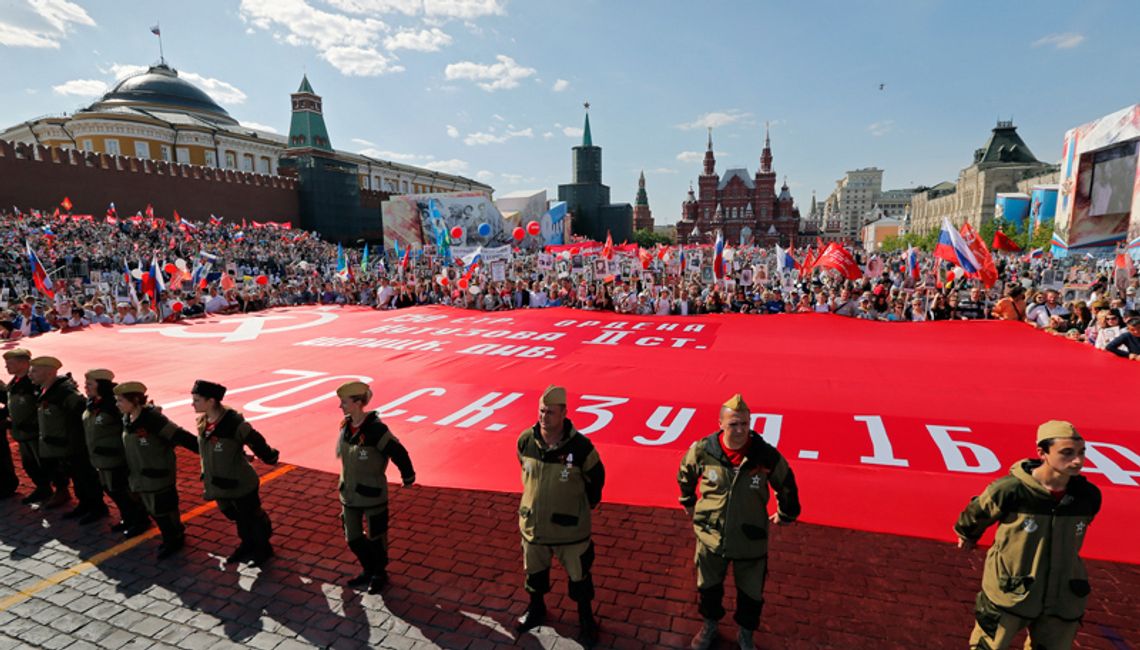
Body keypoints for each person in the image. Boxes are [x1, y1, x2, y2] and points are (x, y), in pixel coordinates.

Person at [954, 421, 1101, 649]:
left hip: (1062, 597)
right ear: (1042, 453)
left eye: (1082, 453)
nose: (1078, 461)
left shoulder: (1088, 496)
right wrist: (968, 534)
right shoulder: (1010, 491)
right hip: (1010, 593)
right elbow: (978, 512)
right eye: (1067, 453)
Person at [677, 394, 801, 650]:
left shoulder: (764, 456)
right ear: (720, 423)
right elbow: (685, 473)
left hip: (750, 541)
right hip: (711, 537)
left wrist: (786, 513)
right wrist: (688, 500)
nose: (741, 429)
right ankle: (709, 626)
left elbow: (786, 482)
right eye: (734, 424)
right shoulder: (703, 450)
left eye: (745, 423)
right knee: (708, 589)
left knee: (751, 595)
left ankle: (746, 635)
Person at [515, 386, 605, 646]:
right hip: (534, 526)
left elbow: (596, 479)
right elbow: (524, 469)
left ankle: (587, 620)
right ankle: (536, 609)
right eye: (542, 411)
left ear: (564, 413)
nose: (544, 417)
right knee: (534, 574)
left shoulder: (581, 447)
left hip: (571, 531)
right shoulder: (526, 440)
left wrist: (582, 505)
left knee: (580, 578)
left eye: (551, 412)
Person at [335, 381, 415, 594]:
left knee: (376, 537)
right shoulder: (345, 426)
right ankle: (368, 568)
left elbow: (398, 452)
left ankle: (379, 573)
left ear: (359, 403)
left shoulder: (376, 430)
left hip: (371, 493)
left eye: (344, 402)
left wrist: (408, 476)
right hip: (349, 493)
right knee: (352, 536)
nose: (340, 406)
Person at [191, 379, 279, 566]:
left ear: (211, 401)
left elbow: (256, 441)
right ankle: (247, 544)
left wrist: (270, 457)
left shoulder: (233, 423)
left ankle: (263, 548)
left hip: (240, 482)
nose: (193, 404)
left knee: (251, 516)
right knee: (235, 516)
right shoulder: (203, 421)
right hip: (217, 484)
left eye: (197, 400)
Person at [116, 381, 200, 559]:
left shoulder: (153, 420)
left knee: (164, 509)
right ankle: (170, 536)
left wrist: (206, 453)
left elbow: (181, 436)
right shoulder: (127, 419)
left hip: (158, 474)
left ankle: (174, 538)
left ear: (135, 400)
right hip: (141, 476)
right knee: (154, 509)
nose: (117, 404)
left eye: (121, 401)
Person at [29, 356, 107, 522]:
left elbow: (82, 413)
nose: (31, 374)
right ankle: (84, 504)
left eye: (35, 370)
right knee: (77, 479)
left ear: (49, 372)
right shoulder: (46, 390)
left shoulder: (65, 392)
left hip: (75, 446)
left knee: (86, 477)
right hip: (63, 447)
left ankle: (97, 508)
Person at [82, 368, 149, 535]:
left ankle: (140, 520)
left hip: (116, 458)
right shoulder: (92, 403)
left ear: (101, 385)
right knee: (110, 489)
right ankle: (128, 518)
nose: (86, 387)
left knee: (123, 491)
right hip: (100, 458)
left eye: (90, 384)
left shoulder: (113, 405)